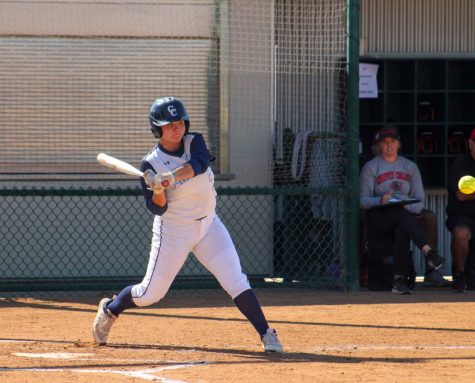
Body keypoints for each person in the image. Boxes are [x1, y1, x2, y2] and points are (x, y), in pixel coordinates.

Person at [92, 96, 283, 352]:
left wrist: (170, 177)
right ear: (157, 128)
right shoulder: (150, 164)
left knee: (236, 280)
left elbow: (199, 165)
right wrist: (157, 188)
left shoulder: (195, 142)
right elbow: (157, 208)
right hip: (174, 232)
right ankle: (111, 308)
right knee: (150, 294)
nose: (176, 127)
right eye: (169, 124)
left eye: (180, 121)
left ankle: (266, 333)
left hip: (209, 226)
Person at [360, 124, 446, 294]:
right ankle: (429, 253)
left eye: (392, 141)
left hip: (404, 215)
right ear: (379, 145)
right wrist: (380, 200)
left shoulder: (409, 167)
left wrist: (405, 206)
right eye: (385, 142)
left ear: (399, 144)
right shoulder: (371, 167)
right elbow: (363, 201)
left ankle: (399, 280)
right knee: (399, 214)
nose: (389, 146)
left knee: (401, 226)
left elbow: (420, 201)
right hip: (380, 216)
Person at [446, 127, 475, 292]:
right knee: (461, 234)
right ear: (471, 144)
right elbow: (461, 195)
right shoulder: (461, 163)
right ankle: (460, 275)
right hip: (463, 216)